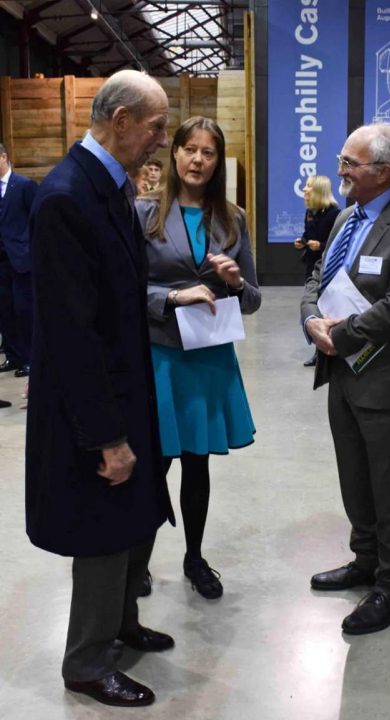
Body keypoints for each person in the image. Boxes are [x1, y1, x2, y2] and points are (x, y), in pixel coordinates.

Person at [26, 69, 174, 708]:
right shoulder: (66, 198)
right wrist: (107, 437)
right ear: (120, 122)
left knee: (132, 517)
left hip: (125, 394)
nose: (162, 140)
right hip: (94, 410)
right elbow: (71, 334)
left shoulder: (107, 188)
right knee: (102, 527)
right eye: (157, 127)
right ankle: (86, 661)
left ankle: (119, 625)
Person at [300, 122, 390, 635]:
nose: (340, 171)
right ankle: (364, 561)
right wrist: (311, 318)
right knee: (354, 475)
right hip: (343, 372)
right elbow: (320, 275)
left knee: (387, 483)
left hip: (383, 379)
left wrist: (344, 334)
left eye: (349, 163)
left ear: (381, 172)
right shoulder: (346, 219)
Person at [137, 116, 261, 600]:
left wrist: (232, 282)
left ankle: (194, 557)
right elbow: (126, 288)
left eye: (208, 153)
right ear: (174, 154)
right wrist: (171, 298)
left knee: (197, 462)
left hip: (208, 354)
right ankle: (138, 560)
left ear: (217, 162)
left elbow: (252, 300)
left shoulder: (234, 219)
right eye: (190, 149)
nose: (198, 160)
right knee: (155, 463)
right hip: (161, 354)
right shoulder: (143, 213)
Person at [293, 175, 339, 366]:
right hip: (312, 267)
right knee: (314, 307)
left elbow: (336, 243)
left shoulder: (335, 214)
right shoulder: (310, 212)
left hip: (329, 270)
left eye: (309, 187)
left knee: (328, 309)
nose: (304, 190)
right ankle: (319, 350)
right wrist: (302, 242)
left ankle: (330, 347)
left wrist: (319, 245)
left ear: (319, 191)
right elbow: (308, 234)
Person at [0, 142, 37, 378]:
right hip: (1, 262)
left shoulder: (23, 185)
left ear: (3, 157)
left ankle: (30, 359)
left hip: (22, 260)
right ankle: (12, 356)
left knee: (25, 311)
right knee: (5, 312)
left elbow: (37, 219)